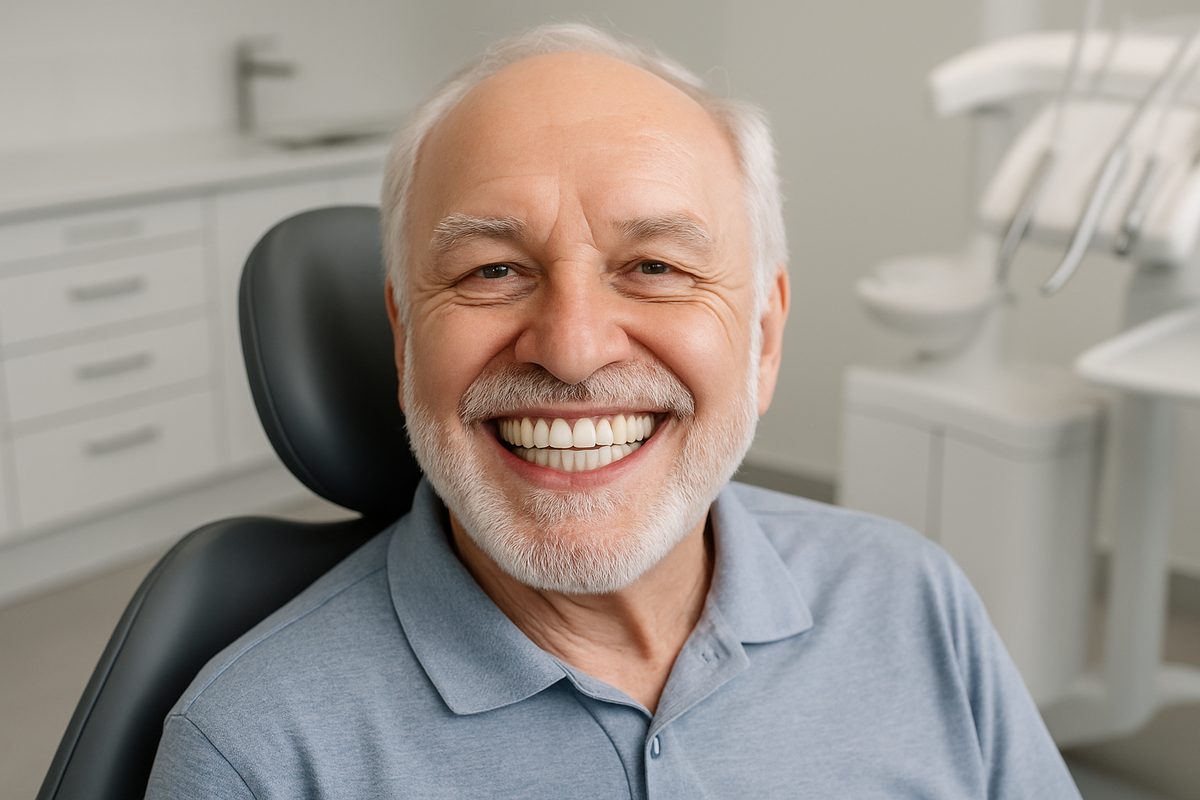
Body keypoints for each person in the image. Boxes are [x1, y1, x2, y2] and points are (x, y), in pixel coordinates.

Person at [146, 23, 1080, 799]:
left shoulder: (913, 600)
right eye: (492, 271)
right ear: (403, 341)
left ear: (761, 336)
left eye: (656, 268)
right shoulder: (258, 754)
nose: (574, 346)